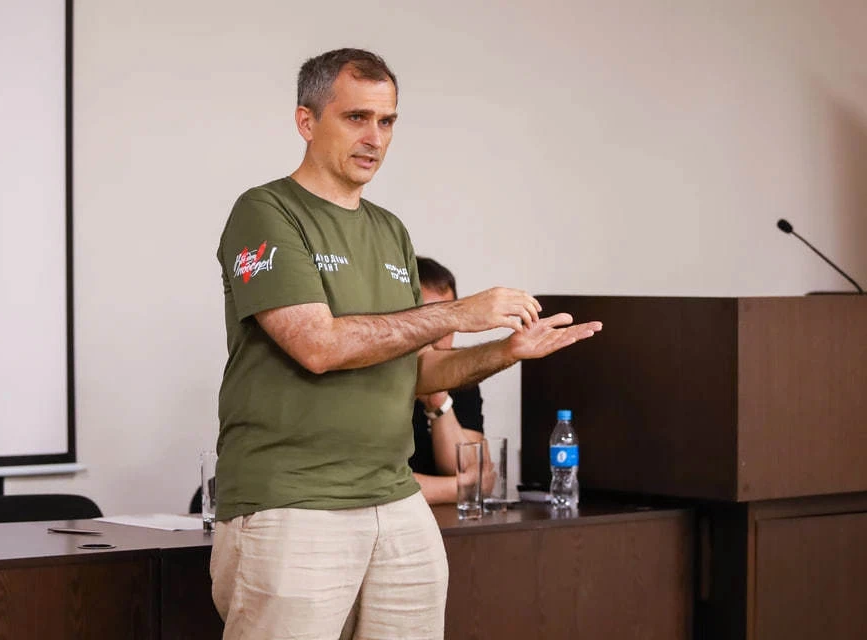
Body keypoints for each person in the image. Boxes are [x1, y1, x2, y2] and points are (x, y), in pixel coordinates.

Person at [211, 47, 602, 640]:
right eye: (356, 117)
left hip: (395, 499)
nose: (375, 138)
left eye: (387, 121)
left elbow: (414, 373)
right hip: (294, 502)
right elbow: (318, 345)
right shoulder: (265, 211)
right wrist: (458, 313)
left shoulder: (390, 229)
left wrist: (505, 351)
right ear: (306, 121)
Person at [408, 256, 487, 504]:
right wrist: (461, 487)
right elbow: (375, 486)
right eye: (431, 321)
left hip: (446, 519)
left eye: (448, 321)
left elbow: (471, 470)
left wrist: (438, 402)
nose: (440, 335)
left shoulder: (461, 376)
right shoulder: (372, 378)